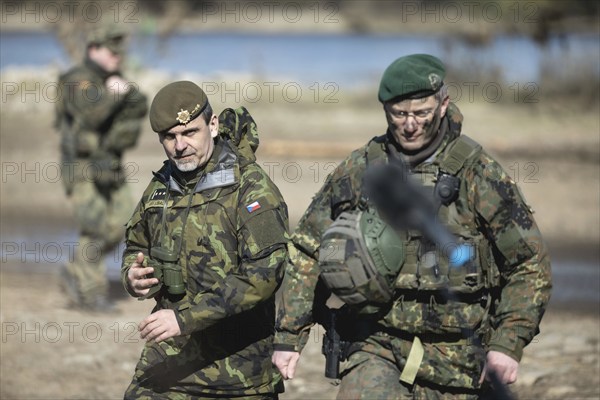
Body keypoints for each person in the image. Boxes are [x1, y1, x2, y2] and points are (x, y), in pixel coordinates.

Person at [272, 54, 552, 399]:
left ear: (443, 104)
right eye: (399, 114)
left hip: (460, 355)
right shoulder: (360, 170)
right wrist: (289, 336)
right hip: (376, 344)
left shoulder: (479, 174)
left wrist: (507, 344)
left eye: (421, 113)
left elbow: (529, 265)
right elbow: (306, 250)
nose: (409, 125)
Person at [121, 81, 289, 399]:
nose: (179, 146)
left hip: (236, 375)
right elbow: (135, 245)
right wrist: (133, 275)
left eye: (189, 133)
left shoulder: (251, 189)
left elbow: (265, 274)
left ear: (212, 126)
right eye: (169, 137)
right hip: (168, 364)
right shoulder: (159, 187)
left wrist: (184, 319)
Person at [55, 25, 148, 312]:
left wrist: (125, 93)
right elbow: (91, 115)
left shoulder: (113, 80)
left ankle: (76, 269)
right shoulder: (76, 80)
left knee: (124, 223)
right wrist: (115, 94)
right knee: (94, 229)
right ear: (93, 49)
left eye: (120, 51)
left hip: (110, 165)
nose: (118, 56)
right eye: (111, 51)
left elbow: (140, 104)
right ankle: (90, 294)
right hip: (82, 167)